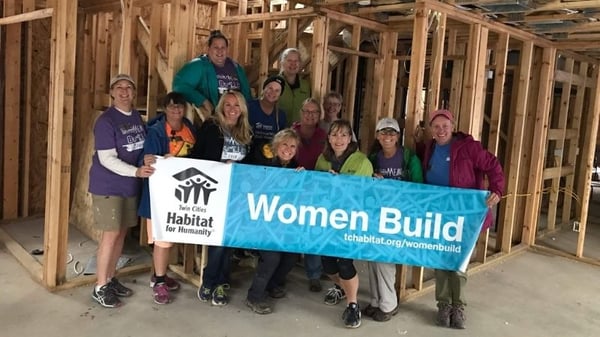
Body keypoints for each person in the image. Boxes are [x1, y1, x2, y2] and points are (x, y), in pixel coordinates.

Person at [417, 109, 504, 329]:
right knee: (441, 261)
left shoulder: (468, 147)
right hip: (439, 215)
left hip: (464, 216)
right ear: (431, 129)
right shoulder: (430, 148)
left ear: (453, 126)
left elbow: (492, 165)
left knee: (459, 261)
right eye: (436, 126)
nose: (441, 130)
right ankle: (443, 305)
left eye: (445, 126)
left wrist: (497, 190)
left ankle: (458, 306)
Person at [88, 74, 154, 308]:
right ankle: (100, 286)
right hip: (109, 186)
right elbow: (107, 159)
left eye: (129, 87)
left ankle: (111, 277)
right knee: (110, 235)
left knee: (121, 234)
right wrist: (136, 172)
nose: (124, 91)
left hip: (128, 186)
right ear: (112, 93)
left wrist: (146, 159)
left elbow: (138, 147)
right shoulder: (106, 121)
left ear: (134, 93)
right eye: (119, 87)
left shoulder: (136, 116)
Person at [191, 90, 252, 306]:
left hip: (237, 195)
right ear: (221, 107)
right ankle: (211, 280)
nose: (233, 109)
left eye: (237, 105)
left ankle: (220, 283)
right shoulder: (211, 127)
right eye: (228, 105)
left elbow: (252, 164)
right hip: (213, 192)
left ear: (242, 109)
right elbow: (197, 157)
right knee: (218, 239)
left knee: (229, 240)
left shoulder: (246, 132)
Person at [361, 117, 423, 321]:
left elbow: (418, 187)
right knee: (371, 258)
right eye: (383, 132)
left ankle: (388, 305)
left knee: (385, 259)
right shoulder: (372, 158)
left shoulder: (408, 158)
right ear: (377, 136)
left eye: (392, 133)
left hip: (398, 217)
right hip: (376, 215)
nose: (388, 136)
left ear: (398, 136)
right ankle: (376, 301)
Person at [138, 92, 196, 304]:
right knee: (163, 240)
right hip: (161, 196)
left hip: (183, 193)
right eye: (171, 106)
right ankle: (159, 281)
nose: (176, 110)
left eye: (179, 106)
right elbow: (148, 161)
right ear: (165, 108)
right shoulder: (155, 131)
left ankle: (159, 275)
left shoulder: (190, 128)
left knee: (170, 238)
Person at [315, 119, 374, 329]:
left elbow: (362, 194)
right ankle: (342, 288)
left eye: (343, 135)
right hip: (326, 221)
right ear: (329, 138)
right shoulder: (322, 160)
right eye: (334, 134)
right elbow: (315, 190)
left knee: (344, 262)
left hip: (350, 221)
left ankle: (352, 304)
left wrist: (339, 183)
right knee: (328, 263)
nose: (338, 139)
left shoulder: (362, 162)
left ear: (350, 138)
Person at [245, 129, 303, 315]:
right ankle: (254, 296)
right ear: (276, 145)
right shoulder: (264, 163)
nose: (288, 149)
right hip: (259, 223)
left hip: (282, 225)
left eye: (292, 146)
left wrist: (302, 179)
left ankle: (271, 284)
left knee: (292, 254)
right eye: (284, 144)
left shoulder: (296, 168)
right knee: (272, 257)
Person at [292, 98, 328, 292]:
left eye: (314, 112)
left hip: (316, 190)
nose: (310, 115)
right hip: (293, 189)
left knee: (313, 230)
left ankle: (314, 274)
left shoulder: (324, 135)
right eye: (307, 111)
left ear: (319, 116)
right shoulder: (291, 133)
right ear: (301, 112)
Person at [173, 30, 251, 118]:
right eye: (216, 47)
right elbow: (179, 86)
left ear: (227, 49)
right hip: (215, 118)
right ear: (208, 49)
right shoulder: (199, 65)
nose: (220, 51)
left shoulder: (236, 67)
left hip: (236, 118)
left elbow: (247, 94)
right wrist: (203, 101)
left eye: (223, 47)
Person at [247, 75, 287, 165]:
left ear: (280, 94)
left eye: (277, 90)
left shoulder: (281, 115)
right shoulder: (249, 106)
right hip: (248, 157)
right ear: (264, 88)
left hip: (268, 161)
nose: (273, 92)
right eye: (270, 88)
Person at [278, 48, 312, 126]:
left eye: (296, 61)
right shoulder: (274, 83)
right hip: (279, 131)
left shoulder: (305, 85)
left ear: (300, 64)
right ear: (282, 63)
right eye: (289, 61)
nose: (293, 64)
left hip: (299, 131)